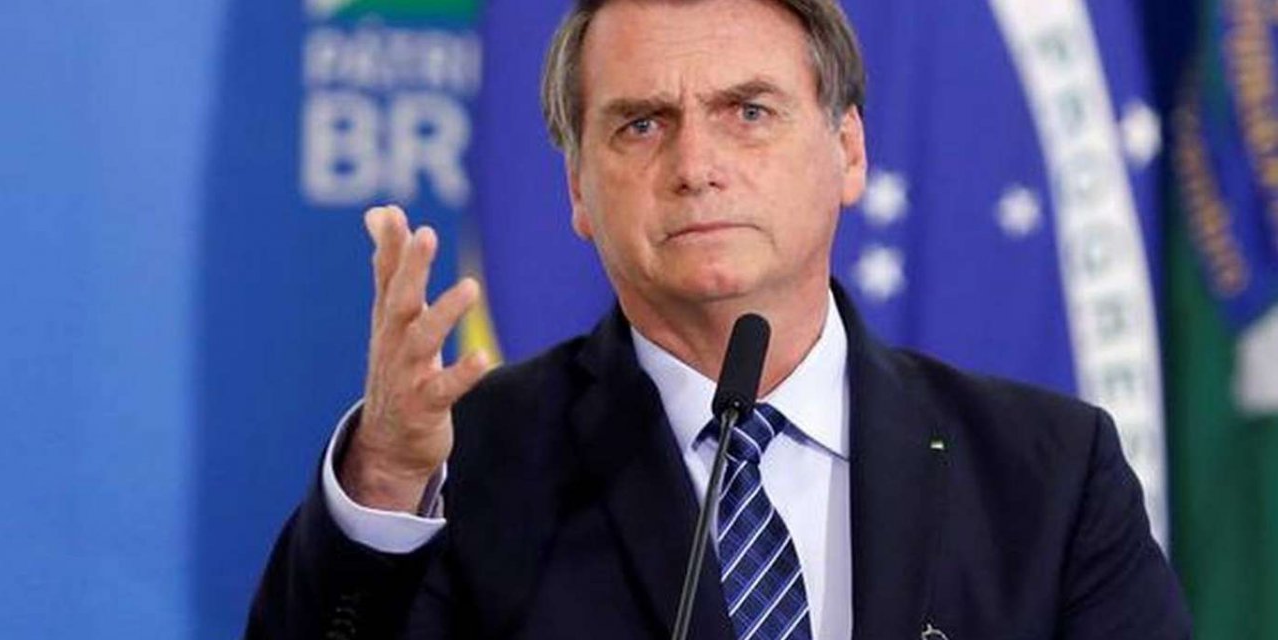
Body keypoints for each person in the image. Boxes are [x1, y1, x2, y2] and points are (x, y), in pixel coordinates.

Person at [247, 0, 1191, 638]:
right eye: (642, 124)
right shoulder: (468, 468)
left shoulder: (1048, 473)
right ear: (577, 190)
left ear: (847, 151)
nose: (695, 166)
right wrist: (386, 477)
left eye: (748, 111)